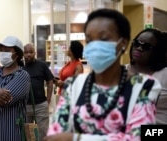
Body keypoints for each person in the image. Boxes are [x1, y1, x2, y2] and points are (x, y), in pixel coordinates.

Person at [44, 9, 161, 141]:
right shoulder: (74, 84)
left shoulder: (144, 86)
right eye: (89, 40)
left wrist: (75, 138)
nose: (95, 45)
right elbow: (56, 134)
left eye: (103, 38)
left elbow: (138, 137)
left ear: (124, 43)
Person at [127, 28, 167, 124]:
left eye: (146, 47)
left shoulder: (164, 75)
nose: (139, 48)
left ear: (157, 51)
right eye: (137, 43)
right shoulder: (118, 72)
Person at [23, 43, 54, 141]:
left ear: (35, 53)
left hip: (40, 105)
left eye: (31, 52)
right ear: (23, 54)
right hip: (25, 106)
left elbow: (50, 81)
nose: (28, 54)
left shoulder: (42, 65)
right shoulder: (20, 66)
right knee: (25, 133)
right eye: (26, 52)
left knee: (43, 133)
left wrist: (48, 99)